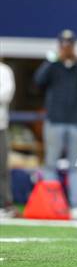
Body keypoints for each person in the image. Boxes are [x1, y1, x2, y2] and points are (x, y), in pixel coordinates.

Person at [34, 29, 77, 220]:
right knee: (50, 164)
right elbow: (38, 80)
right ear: (59, 45)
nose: (66, 47)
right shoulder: (53, 65)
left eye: (69, 44)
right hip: (54, 120)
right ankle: (50, 204)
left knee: (74, 165)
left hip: (75, 121)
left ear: (74, 45)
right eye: (64, 44)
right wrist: (53, 60)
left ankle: (76, 206)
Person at [0, 61, 16, 218]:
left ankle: (4, 204)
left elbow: (6, 94)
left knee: (2, 167)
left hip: (1, 126)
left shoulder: (4, 71)